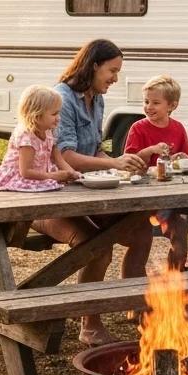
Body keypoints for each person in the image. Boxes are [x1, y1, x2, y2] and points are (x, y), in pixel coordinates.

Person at [31, 39, 151, 347]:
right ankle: (90, 324)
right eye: (112, 70)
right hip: (48, 196)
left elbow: (94, 147)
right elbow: (66, 155)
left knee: (139, 232)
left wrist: (118, 166)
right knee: (95, 245)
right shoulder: (61, 99)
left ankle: (135, 307)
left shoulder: (96, 99)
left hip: (85, 191)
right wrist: (111, 161)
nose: (115, 78)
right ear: (94, 65)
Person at [124, 75, 188, 277]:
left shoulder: (177, 128)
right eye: (146, 102)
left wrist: (182, 157)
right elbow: (129, 162)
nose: (149, 107)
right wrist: (150, 150)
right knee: (180, 229)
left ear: (172, 105)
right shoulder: (138, 128)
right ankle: (175, 284)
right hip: (153, 199)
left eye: (155, 103)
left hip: (179, 194)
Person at [0, 85, 82, 192]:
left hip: (41, 173)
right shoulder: (27, 136)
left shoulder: (48, 131)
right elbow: (25, 172)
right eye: (54, 114)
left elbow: (58, 159)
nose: (59, 118)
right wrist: (54, 176)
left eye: (58, 113)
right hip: (21, 176)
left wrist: (74, 174)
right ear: (36, 116)